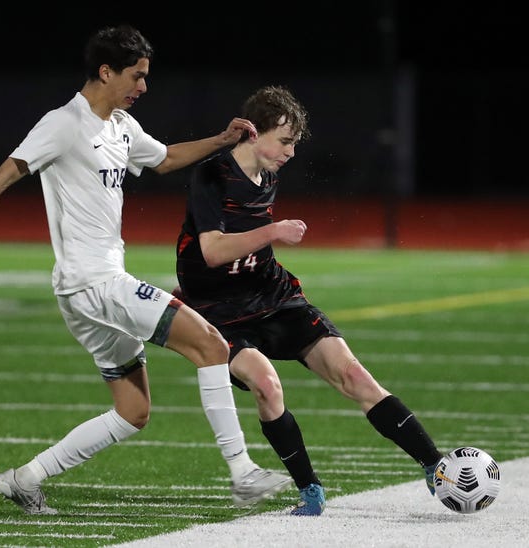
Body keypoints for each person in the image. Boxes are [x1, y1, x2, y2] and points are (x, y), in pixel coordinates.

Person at [0, 25, 293, 515]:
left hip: (86, 292)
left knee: (133, 411)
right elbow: (4, 174)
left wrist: (223, 139)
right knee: (211, 344)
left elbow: (164, 158)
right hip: (94, 283)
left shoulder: (121, 126)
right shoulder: (63, 124)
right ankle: (242, 472)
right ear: (106, 72)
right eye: (136, 76)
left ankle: (25, 478)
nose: (143, 87)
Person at [174, 85, 443, 516]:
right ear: (252, 134)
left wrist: (269, 238)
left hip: (275, 297)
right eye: (285, 141)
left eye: (295, 143)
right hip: (218, 314)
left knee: (355, 377)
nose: (291, 152)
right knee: (265, 384)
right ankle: (310, 490)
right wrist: (273, 232)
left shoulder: (269, 175)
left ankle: (436, 466)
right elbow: (212, 250)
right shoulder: (211, 176)